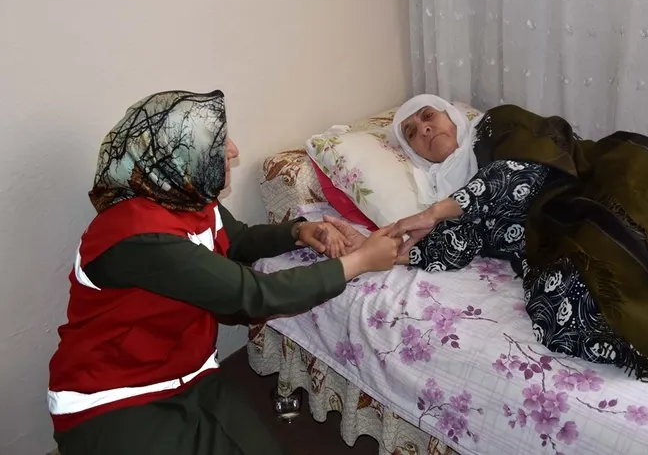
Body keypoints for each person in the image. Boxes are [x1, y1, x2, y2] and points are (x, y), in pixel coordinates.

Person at [321, 94, 648, 418]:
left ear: (451, 114)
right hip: (554, 235)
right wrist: (379, 250)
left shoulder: (496, 125)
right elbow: (455, 245)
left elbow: (521, 172)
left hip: (597, 187)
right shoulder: (454, 189)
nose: (425, 128)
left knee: (647, 246)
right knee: (557, 317)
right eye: (412, 132)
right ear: (413, 153)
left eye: (429, 116)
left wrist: (435, 211)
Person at [47, 90, 401, 455]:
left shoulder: (188, 199)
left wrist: (297, 232)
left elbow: (238, 240)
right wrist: (360, 262)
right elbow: (253, 295)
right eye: (217, 143)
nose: (232, 150)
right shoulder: (138, 236)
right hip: (111, 400)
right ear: (175, 157)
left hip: (187, 375)